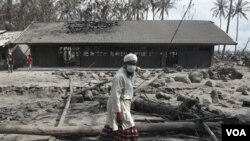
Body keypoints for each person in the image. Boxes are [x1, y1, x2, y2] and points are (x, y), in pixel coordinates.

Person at [99, 53, 140, 141]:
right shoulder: (119, 77)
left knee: (115, 126)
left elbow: (129, 85)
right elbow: (115, 95)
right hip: (118, 105)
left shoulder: (128, 73)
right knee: (128, 127)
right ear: (124, 64)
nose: (133, 66)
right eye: (131, 64)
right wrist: (119, 113)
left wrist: (130, 101)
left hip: (124, 103)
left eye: (135, 64)